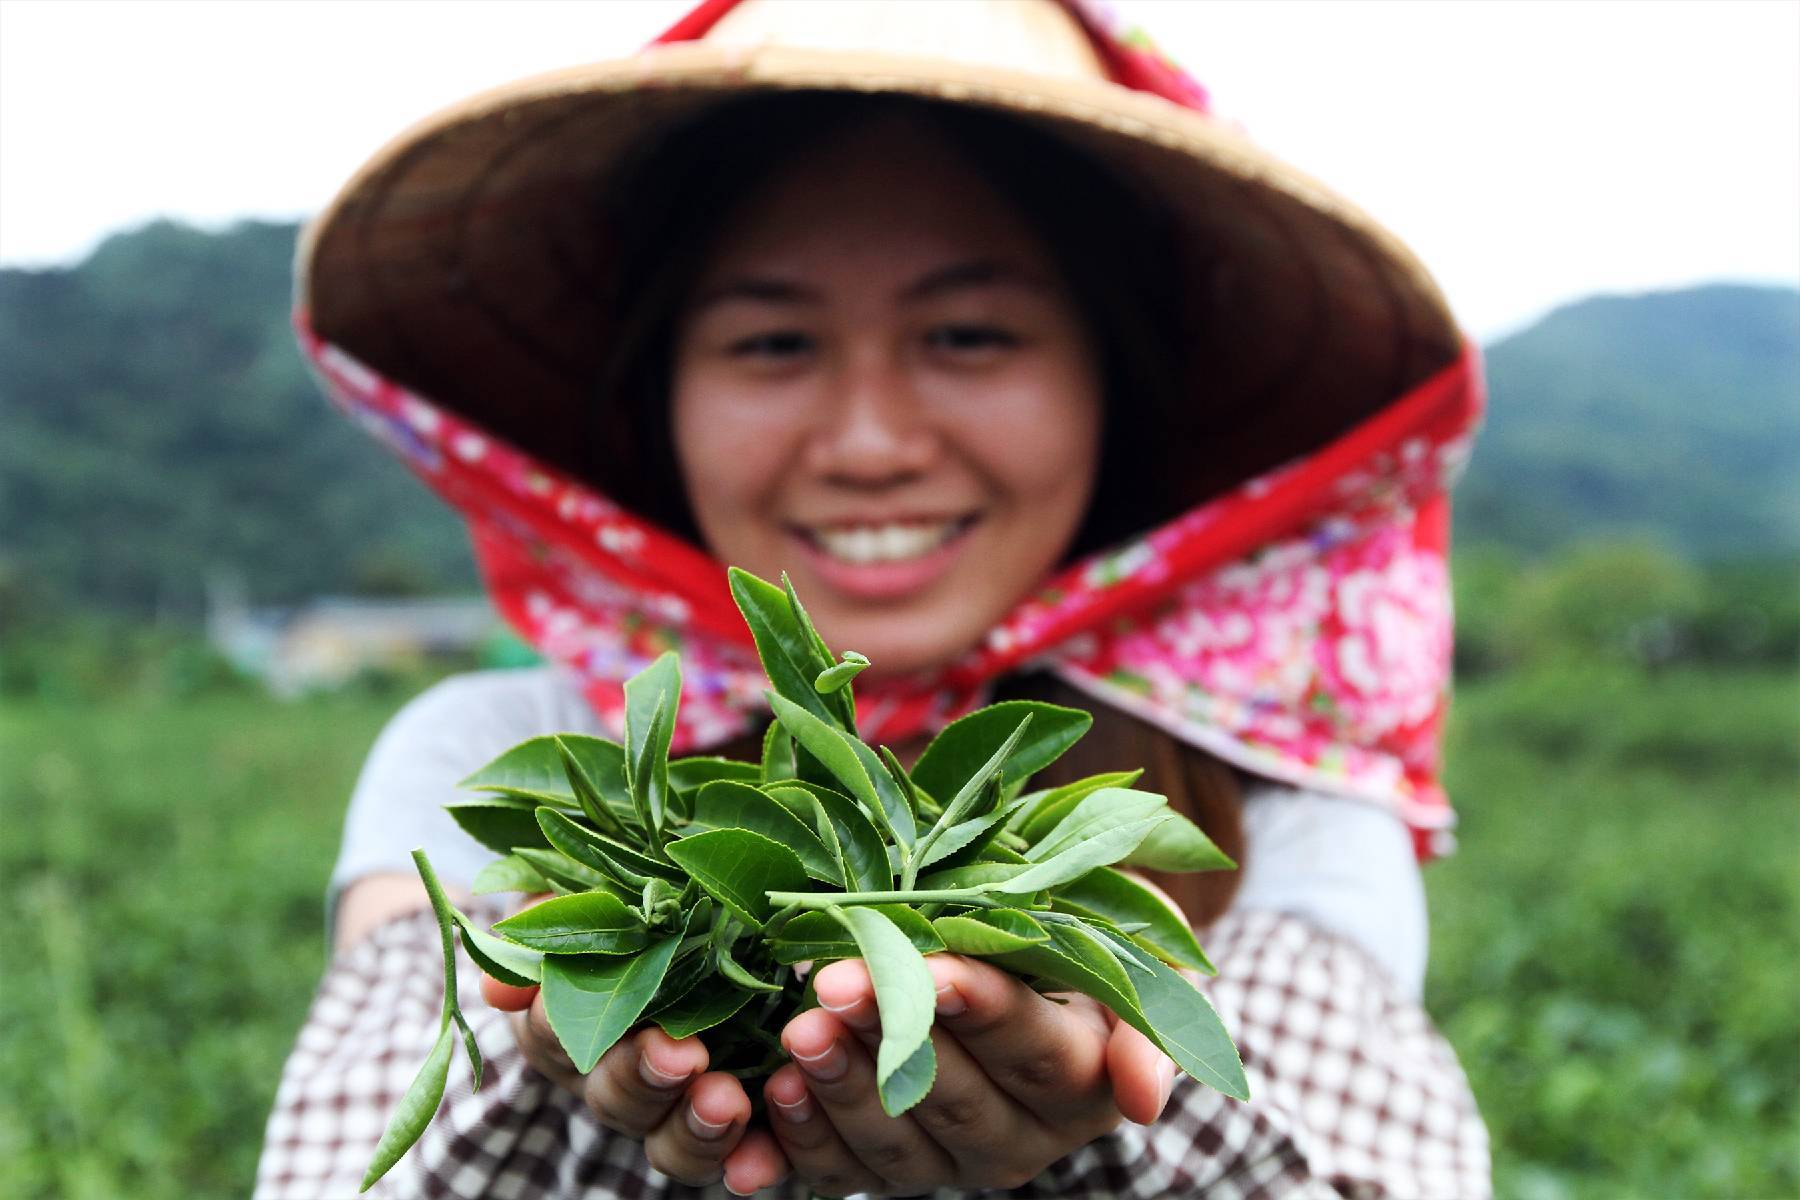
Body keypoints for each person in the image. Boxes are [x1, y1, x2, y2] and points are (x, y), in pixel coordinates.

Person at [257, 2, 1490, 1197]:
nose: (868, 442)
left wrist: (1109, 1128)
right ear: (660, 398)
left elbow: (1364, 1159)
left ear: (1114, 386)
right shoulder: (492, 759)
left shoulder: (1280, 787)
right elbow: (348, 1158)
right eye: (772, 345)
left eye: (968, 335)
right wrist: (570, 1055)